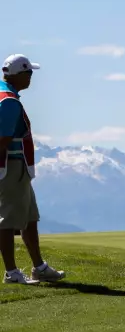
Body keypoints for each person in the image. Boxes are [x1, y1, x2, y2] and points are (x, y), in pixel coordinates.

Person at [0, 54, 65, 285]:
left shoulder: (5, 95)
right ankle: (12, 273)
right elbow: (3, 140)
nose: (31, 78)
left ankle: (39, 267)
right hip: (11, 166)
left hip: (17, 168)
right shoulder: (9, 101)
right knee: (7, 221)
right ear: (20, 74)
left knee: (29, 218)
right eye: (29, 73)